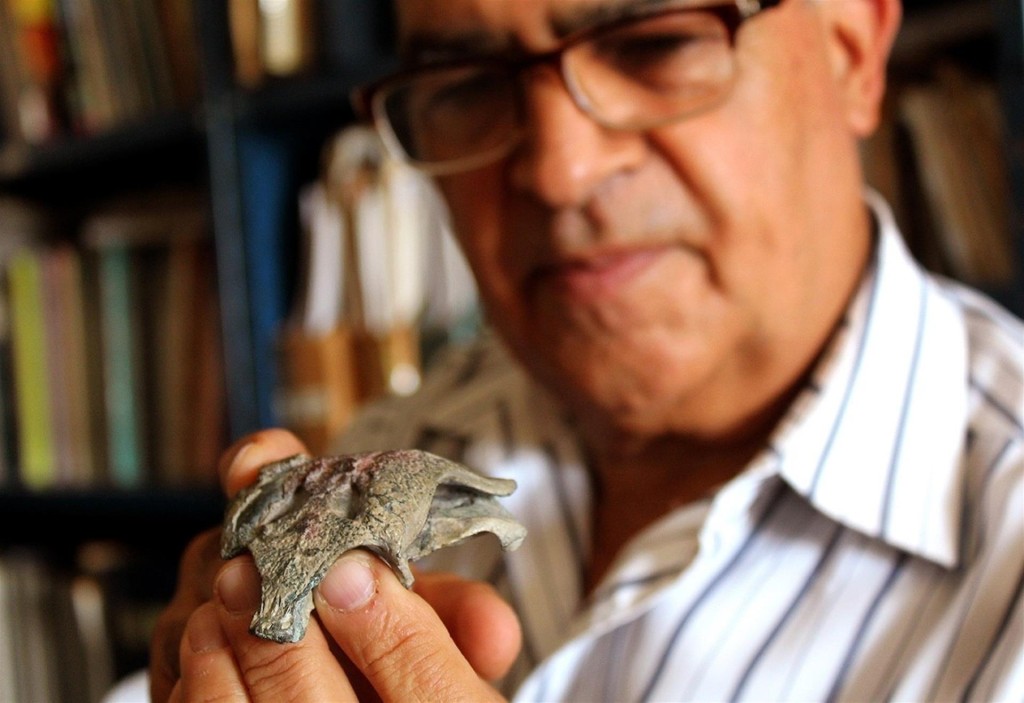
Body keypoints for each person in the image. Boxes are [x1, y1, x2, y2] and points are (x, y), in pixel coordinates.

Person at [145, 0, 1024, 700]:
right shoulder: (398, 433)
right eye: (466, 85)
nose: (558, 169)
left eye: (654, 42)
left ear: (852, 50)